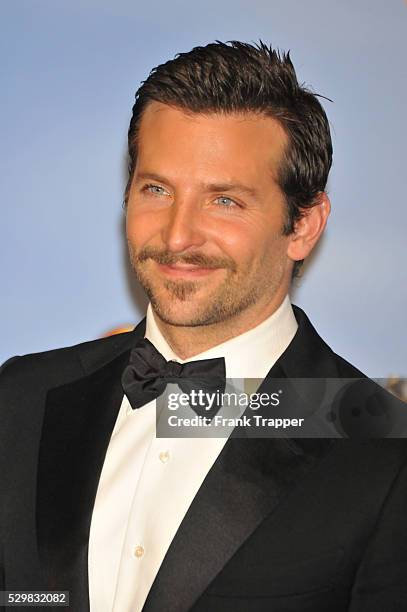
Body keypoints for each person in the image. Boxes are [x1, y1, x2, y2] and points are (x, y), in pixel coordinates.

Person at [1, 40, 406, 612]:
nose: (177, 235)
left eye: (224, 201)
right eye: (157, 190)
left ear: (304, 224)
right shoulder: (20, 399)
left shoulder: (385, 453)